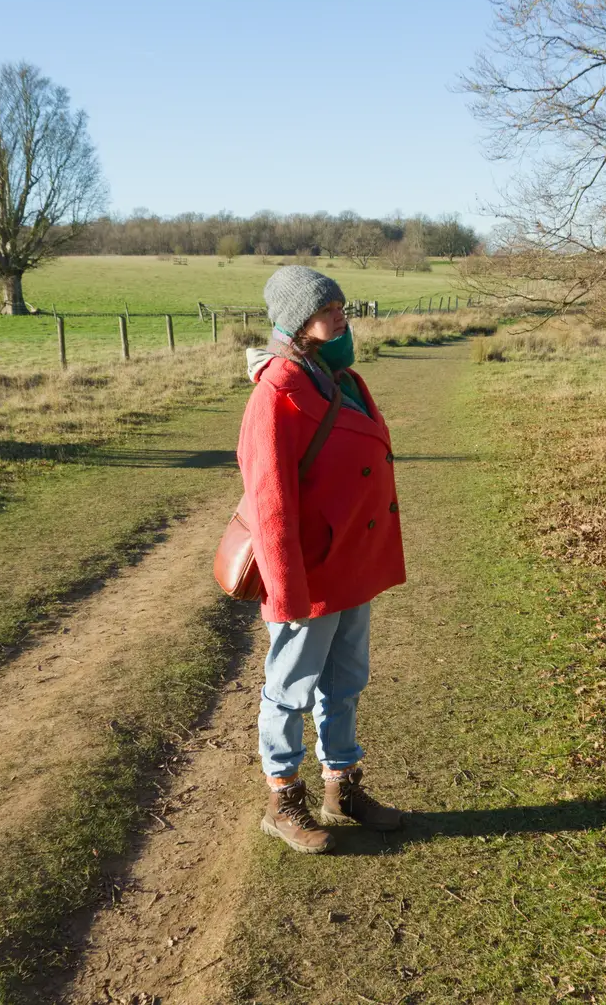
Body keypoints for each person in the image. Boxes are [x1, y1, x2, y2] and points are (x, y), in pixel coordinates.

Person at [237, 266, 408, 854]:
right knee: (289, 687)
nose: (340, 314)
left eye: (340, 304)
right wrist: (284, 587)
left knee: (345, 682)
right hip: (307, 572)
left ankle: (343, 787)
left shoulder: (345, 379)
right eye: (326, 307)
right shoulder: (277, 392)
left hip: (351, 562)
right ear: (294, 320)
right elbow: (270, 501)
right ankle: (282, 799)